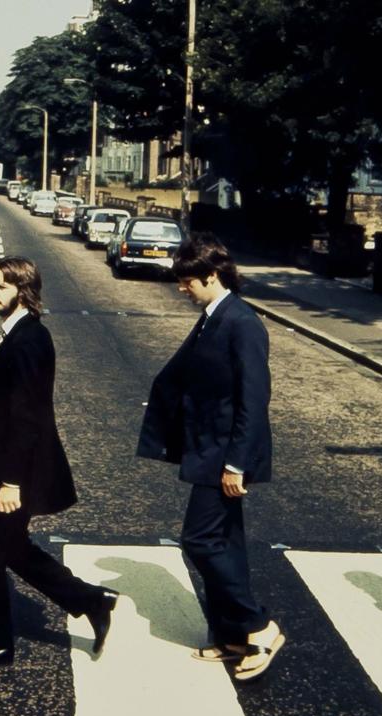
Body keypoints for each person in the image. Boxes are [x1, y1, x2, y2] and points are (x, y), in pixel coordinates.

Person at [0, 256, 118, 668]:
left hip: (14, 470)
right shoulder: (17, 334)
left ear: (23, 291)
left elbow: (28, 417)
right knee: (10, 548)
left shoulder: (29, 340)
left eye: (2, 287)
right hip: (8, 464)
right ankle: (91, 600)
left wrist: (10, 481)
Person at [137, 233, 283, 682]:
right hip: (209, 449)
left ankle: (259, 625)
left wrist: (237, 464)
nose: (182, 288)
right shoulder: (212, 316)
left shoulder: (241, 323)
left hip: (225, 455)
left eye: (188, 281)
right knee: (227, 542)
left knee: (199, 540)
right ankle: (232, 635)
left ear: (213, 275)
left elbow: (253, 400)